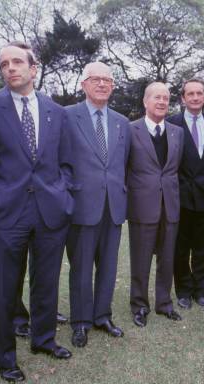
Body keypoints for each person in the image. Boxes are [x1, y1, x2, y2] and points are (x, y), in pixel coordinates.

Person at [0, 41, 74, 383]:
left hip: (51, 211)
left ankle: (44, 340)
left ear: (34, 69)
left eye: (17, 62)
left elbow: (66, 162)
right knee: (5, 288)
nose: (10, 68)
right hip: (8, 213)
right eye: (4, 64)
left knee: (46, 282)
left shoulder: (56, 111)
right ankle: (6, 358)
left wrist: (64, 194)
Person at [65, 62, 131, 347]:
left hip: (113, 205)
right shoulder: (67, 116)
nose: (102, 84)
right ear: (84, 85)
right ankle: (80, 321)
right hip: (81, 205)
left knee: (108, 265)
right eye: (96, 79)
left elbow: (123, 162)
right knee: (80, 267)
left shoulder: (122, 122)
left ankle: (102, 315)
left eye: (108, 80)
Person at [166, 78, 204, 310]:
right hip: (180, 198)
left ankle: (201, 291)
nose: (194, 97)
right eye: (189, 94)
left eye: (199, 93)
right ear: (182, 98)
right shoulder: (171, 124)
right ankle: (183, 291)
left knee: (203, 249)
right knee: (180, 249)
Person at [127, 82, 184, 327]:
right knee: (141, 259)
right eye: (156, 98)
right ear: (145, 101)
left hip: (170, 205)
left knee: (167, 257)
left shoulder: (177, 132)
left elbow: (175, 169)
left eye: (165, 98)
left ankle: (164, 303)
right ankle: (139, 305)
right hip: (142, 205)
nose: (162, 102)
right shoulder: (130, 130)